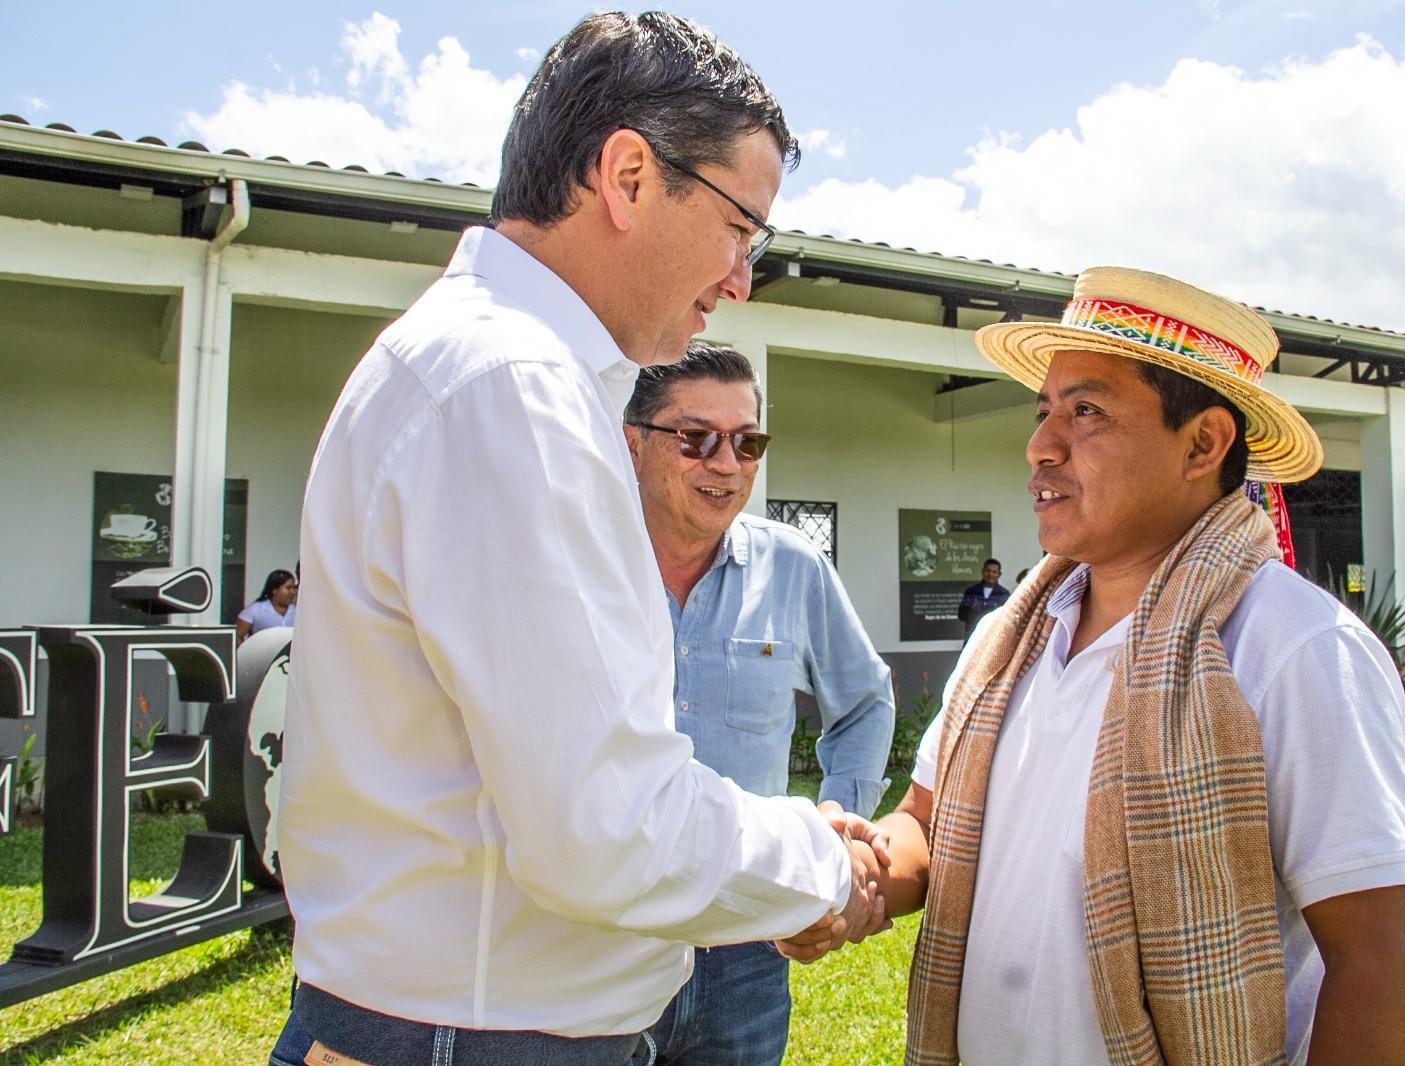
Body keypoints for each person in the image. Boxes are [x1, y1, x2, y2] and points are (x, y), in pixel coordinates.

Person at [271, 14, 884, 1066]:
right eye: (743, 228)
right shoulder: (513, 388)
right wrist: (825, 863)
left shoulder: (478, 368)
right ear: (629, 177)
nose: (742, 279)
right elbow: (608, 825)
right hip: (476, 1037)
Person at [786, 266, 1405, 1066]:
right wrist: (854, 872)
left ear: (1203, 443)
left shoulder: (1297, 647)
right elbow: (926, 823)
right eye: (1043, 412)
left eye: (1086, 411)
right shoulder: (1009, 639)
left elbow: (1376, 965)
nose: (1040, 446)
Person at [624, 341, 895, 1065]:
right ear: (633, 443)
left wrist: (834, 821)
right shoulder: (585, 562)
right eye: (696, 438)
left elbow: (866, 701)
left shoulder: (793, 565)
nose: (726, 463)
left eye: (746, 443)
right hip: (607, 936)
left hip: (745, 940)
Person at [235, 568, 296, 641]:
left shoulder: (298, 612)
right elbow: (237, 636)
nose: (292, 592)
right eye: (288, 588)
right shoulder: (254, 610)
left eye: (293, 588)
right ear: (274, 590)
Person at [956, 558, 1009, 640]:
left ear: (999, 574)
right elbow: (962, 615)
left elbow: (1007, 618)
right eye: (988, 571)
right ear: (982, 571)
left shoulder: (1004, 594)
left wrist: (978, 611)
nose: (990, 574)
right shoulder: (972, 591)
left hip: (995, 638)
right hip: (973, 638)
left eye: (994, 572)